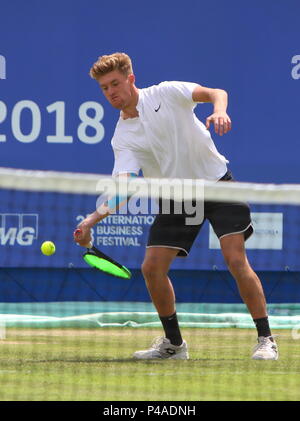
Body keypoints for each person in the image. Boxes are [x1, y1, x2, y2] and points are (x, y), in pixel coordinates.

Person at [74, 52, 278, 361]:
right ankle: (174, 345)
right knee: (152, 268)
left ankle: (266, 339)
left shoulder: (167, 93)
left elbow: (214, 93)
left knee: (235, 258)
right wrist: (91, 220)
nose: (111, 92)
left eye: (115, 83)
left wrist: (219, 111)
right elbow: (126, 187)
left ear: (131, 79)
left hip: (216, 184)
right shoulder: (122, 136)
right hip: (176, 196)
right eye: (104, 88)